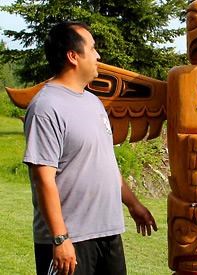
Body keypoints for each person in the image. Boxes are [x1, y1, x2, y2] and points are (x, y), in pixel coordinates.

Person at [23, 21, 158, 275]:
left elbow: (105, 163)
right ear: (73, 56)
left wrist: (133, 204)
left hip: (107, 233)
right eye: (93, 48)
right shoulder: (46, 107)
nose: (98, 56)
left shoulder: (94, 102)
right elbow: (43, 179)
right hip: (70, 240)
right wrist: (60, 238)